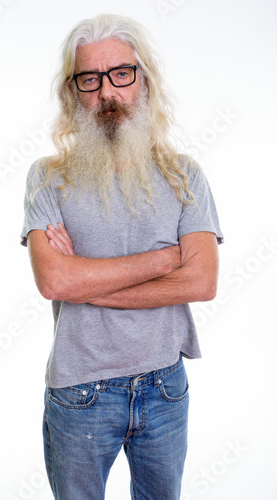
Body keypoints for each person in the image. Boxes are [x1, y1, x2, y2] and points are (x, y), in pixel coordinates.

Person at [20, 13, 223, 500]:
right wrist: (165, 259)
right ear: (74, 91)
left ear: (144, 80)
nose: (107, 92)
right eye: (90, 79)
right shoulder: (46, 177)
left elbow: (202, 282)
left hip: (165, 387)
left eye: (121, 74)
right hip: (80, 391)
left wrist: (87, 284)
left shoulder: (184, 174)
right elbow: (54, 282)